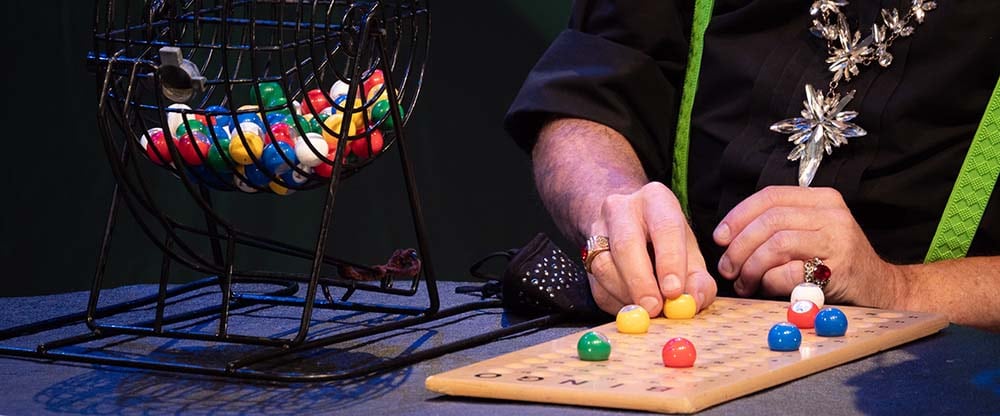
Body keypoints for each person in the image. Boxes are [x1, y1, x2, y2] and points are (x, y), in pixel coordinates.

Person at [504, 0, 1000, 330]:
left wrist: (899, 289)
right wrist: (613, 208)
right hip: (680, 329)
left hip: (935, 370)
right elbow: (588, 91)